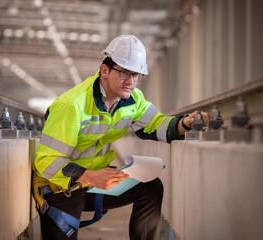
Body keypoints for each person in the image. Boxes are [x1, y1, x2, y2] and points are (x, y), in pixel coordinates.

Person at [32, 34, 209, 240]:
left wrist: (184, 123)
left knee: (150, 187)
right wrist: (91, 176)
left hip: (94, 182)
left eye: (136, 75)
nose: (131, 82)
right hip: (61, 188)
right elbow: (46, 161)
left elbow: (156, 124)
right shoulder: (72, 106)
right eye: (124, 73)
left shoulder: (132, 100)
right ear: (104, 71)